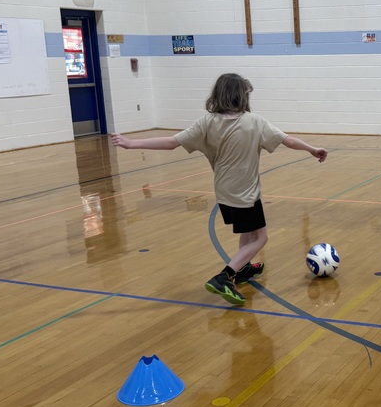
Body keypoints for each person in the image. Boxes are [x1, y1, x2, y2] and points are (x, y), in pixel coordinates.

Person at [110, 73, 327, 306]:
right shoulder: (254, 121)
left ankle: (242, 269)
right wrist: (311, 149)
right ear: (241, 96)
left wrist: (132, 143)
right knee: (261, 238)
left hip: (224, 193)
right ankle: (224, 277)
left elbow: (172, 142)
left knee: (247, 233)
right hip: (246, 193)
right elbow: (288, 140)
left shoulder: (207, 122)